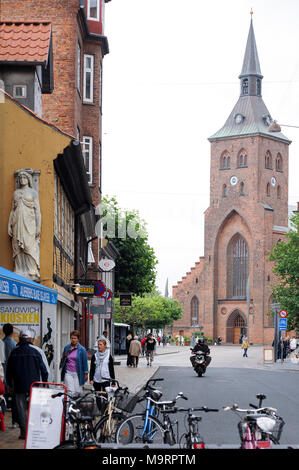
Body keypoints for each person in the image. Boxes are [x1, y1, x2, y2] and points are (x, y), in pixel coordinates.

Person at [6, 330, 48, 439]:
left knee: (21, 409)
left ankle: (24, 433)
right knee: (34, 408)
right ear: (30, 339)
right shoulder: (36, 352)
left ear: (20, 339)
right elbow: (44, 370)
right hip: (35, 386)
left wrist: (10, 385)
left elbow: (8, 371)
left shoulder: (14, 352)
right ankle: (35, 431)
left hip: (19, 385)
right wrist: (45, 384)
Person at [8, 169, 41, 281]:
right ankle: (19, 269)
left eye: (24, 178)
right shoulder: (16, 193)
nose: (22, 180)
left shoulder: (33, 193)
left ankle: (32, 271)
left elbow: (37, 211)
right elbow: (12, 210)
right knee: (17, 245)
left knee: (29, 246)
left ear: (28, 179)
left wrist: (38, 227)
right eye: (20, 178)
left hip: (29, 223)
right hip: (17, 222)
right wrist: (9, 225)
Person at [89, 338, 115, 414]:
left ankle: (105, 411)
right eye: (98, 345)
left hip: (106, 379)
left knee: (105, 396)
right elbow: (92, 368)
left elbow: (111, 369)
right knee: (97, 396)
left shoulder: (108, 356)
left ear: (105, 346)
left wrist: (113, 381)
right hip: (96, 379)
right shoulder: (95, 356)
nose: (99, 346)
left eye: (101, 345)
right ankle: (100, 410)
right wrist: (91, 379)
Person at [60, 330, 88, 397]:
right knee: (70, 391)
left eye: (75, 338)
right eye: (72, 338)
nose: (73, 340)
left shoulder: (82, 349)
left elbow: (84, 362)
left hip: (78, 373)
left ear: (78, 339)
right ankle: (68, 405)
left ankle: (76, 405)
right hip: (68, 372)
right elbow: (64, 358)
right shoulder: (67, 348)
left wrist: (86, 373)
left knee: (78, 391)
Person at [2, 324, 18, 428]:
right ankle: (14, 421)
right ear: (12, 332)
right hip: (11, 373)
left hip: (2, 372)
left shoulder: (1, 343)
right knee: (14, 398)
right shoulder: (14, 344)